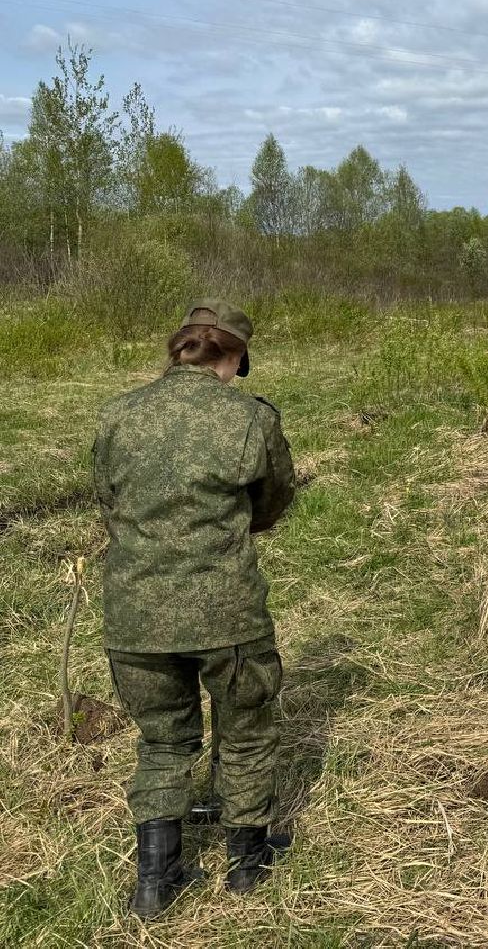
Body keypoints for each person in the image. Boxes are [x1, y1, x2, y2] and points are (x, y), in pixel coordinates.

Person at [93, 300, 296, 919]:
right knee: (244, 732)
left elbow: (109, 502)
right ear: (233, 357)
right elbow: (273, 501)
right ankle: (247, 861)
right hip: (224, 613)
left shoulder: (118, 414)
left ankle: (156, 877)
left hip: (134, 615)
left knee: (161, 742)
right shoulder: (250, 418)